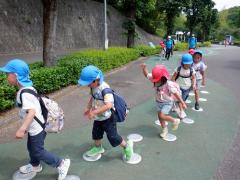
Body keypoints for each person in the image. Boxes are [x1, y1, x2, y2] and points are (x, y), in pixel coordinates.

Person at [0, 59, 70, 180]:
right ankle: (35, 165)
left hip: (37, 128)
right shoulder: (27, 88)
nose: (6, 77)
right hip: (35, 127)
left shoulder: (24, 93)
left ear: (16, 75)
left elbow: (31, 112)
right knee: (31, 148)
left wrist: (22, 129)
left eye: (7, 74)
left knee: (37, 151)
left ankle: (61, 163)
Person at [78, 65, 133, 161]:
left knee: (113, 137)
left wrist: (94, 112)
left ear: (96, 80)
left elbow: (109, 105)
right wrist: (88, 108)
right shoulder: (93, 87)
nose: (87, 85)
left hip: (108, 118)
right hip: (99, 117)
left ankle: (127, 146)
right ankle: (98, 148)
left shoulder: (105, 89)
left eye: (88, 83)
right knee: (96, 133)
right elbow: (93, 97)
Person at [140, 64, 186, 138]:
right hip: (159, 102)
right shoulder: (155, 78)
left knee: (162, 115)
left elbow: (176, 94)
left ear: (164, 77)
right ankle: (164, 130)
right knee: (160, 117)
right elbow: (146, 75)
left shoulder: (169, 85)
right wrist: (144, 68)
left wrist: (182, 103)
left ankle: (174, 120)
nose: (156, 81)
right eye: (155, 79)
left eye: (158, 79)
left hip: (167, 103)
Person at [171, 54, 196, 118]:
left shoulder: (191, 70)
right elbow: (173, 77)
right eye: (186, 64)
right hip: (178, 87)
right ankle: (181, 112)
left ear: (191, 63)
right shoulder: (179, 69)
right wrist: (172, 84)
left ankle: (176, 105)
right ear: (182, 63)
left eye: (189, 64)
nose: (187, 65)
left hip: (187, 87)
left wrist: (194, 84)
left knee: (184, 97)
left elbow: (193, 78)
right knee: (180, 99)